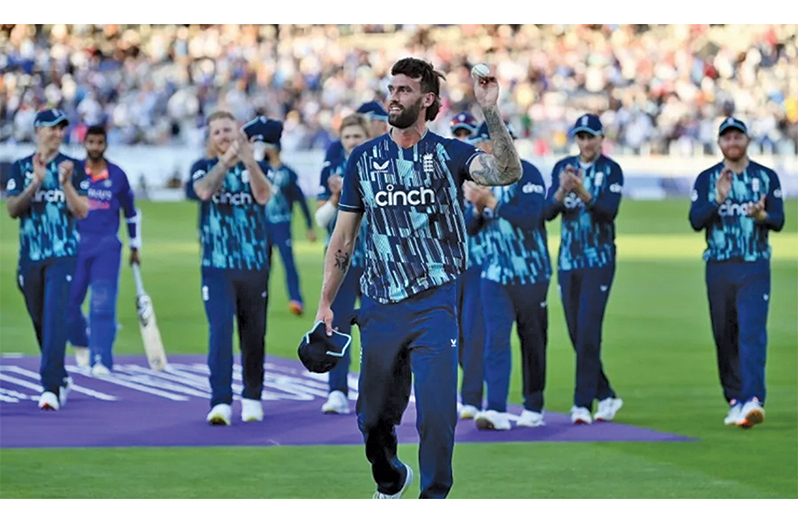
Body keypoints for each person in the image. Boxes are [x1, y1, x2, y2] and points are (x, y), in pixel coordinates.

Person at [315, 58, 522, 499]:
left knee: (436, 416)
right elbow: (343, 237)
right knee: (371, 419)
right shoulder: (363, 159)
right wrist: (325, 304)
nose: (393, 96)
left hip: (434, 303)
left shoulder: (450, 154)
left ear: (428, 100)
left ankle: (433, 499)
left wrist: (489, 109)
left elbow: (507, 172)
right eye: (392, 88)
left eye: (405, 90)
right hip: (379, 304)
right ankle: (390, 478)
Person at [689, 117, 785, 428]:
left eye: (737, 137)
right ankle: (735, 398)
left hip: (754, 264)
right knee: (724, 333)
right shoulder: (707, 179)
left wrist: (762, 216)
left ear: (747, 140)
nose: (733, 143)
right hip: (718, 266)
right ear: (719, 143)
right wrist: (717, 199)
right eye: (727, 138)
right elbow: (695, 221)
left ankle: (754, 398)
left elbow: (779, 221)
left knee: (752, 331)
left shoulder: (766, 177)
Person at [186, 111, 273, 426]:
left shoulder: (259, 167)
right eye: (217, 132)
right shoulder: (203, 167)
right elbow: (204, 191)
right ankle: (220, 401)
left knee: (254, 336)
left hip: (253, 265)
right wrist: (226, 162)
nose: (223, 136)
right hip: (216, 266)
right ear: (210, 138)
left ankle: (252, 397)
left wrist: (248, 161)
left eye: (228, 130)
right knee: (220, 333)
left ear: (239, 133)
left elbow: (263, 196)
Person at [464, 122, 551, 431]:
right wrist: (476, 209)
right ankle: (496, 408)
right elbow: (469, 229)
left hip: (531, 274)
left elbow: (529, 218)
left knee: (532, 340)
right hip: (495, 273)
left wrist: (492, 203)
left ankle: (533, 404)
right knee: (495, 340)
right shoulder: (482, 179)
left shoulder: (529, 174)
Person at [5, 108, 89, 411]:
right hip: (30, 256)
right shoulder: (20, 167)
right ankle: (60, 375)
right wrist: (35, 183)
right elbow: (13, 209)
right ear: (38, 130)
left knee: (55, 319)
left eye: (61, 128)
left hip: (62, 254)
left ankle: (50, 387)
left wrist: (65, 184)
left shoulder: (74, 167)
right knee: (41, 321)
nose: (57, 133)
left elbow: (82, 210)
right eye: (51, 128)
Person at [543, 113, 624, 425]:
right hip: (568, 261)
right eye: (581, 137)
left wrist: (582, 192)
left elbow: (608, 212)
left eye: (591, 136)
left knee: (589, 330)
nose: (586, 142)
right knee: (578, 333)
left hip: (599, 260)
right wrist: (563, 191)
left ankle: (581, 404)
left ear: (602, 138)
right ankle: (606, 394)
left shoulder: (611, 170)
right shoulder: (563, 168)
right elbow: (548, 212)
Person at [66, 125, 141, 376]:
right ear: (84, 143)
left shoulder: (117, 175)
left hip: (107, 246)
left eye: (100, 142)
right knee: (68, 305)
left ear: (106, 144)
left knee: (102, 304)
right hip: (75, 245)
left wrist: (135, 245)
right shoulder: (74, 172)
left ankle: (101, 359)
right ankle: (82, 342)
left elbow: (131, 213)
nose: (95, 147)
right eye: (91, 142)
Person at [314, 113, 371, 415]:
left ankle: (374, 388)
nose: (351, 142)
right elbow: (320, 219)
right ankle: (336, 390)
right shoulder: (333, 170)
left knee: (376, 328)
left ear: (367, 137)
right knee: (336, 324)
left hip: (375, 261)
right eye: (347, 137)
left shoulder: (378, 166)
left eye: (356, 136)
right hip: (341, 262)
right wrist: (336, 196)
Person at [450, 113, 487, 420]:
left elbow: (473, 224)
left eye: (467, 134)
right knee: (456, 334)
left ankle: (472, 397)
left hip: (477, 267)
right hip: (450, 268)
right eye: (456, 134)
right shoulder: (446, 175)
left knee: (473, 333)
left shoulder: (480, 176)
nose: (462, 139)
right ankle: (474, 381)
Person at [262, 139, 316, 316]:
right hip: (262, 224)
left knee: (288, 262)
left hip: (281, 223)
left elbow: (300, 199)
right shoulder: (259, 170)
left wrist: (309, 225)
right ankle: (259, 299)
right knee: (262, 266)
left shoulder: (288, 173)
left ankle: (296, 299)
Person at [319, 101, 389, 190]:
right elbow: (323, 198)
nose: (351, 142)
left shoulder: (388, 147)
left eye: (357, 136)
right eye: (382, 121)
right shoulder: (337, 149)